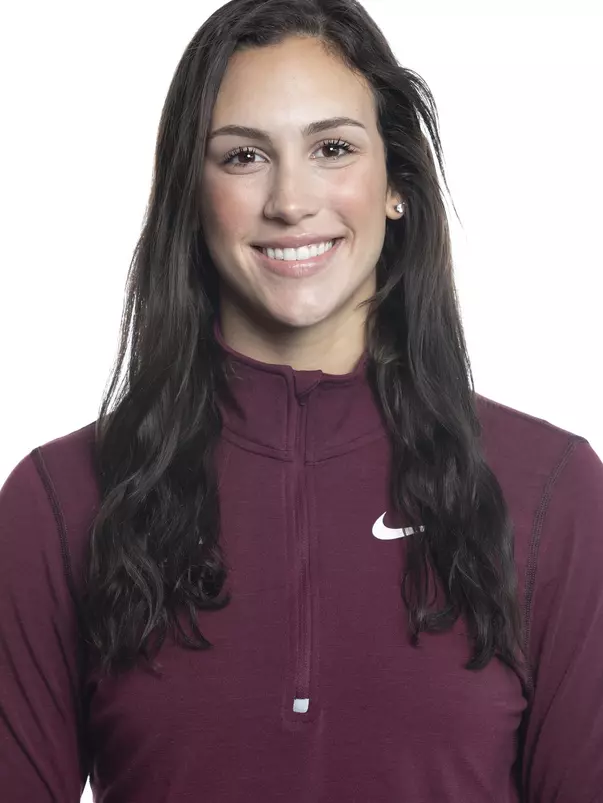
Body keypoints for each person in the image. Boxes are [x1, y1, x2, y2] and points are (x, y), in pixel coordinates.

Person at [1, 0, 602, 800]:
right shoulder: (61, 500)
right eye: (243, 156)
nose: (289, 200)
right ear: (191, 194)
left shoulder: (550, 489)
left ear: (395, 184)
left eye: (332, 148)